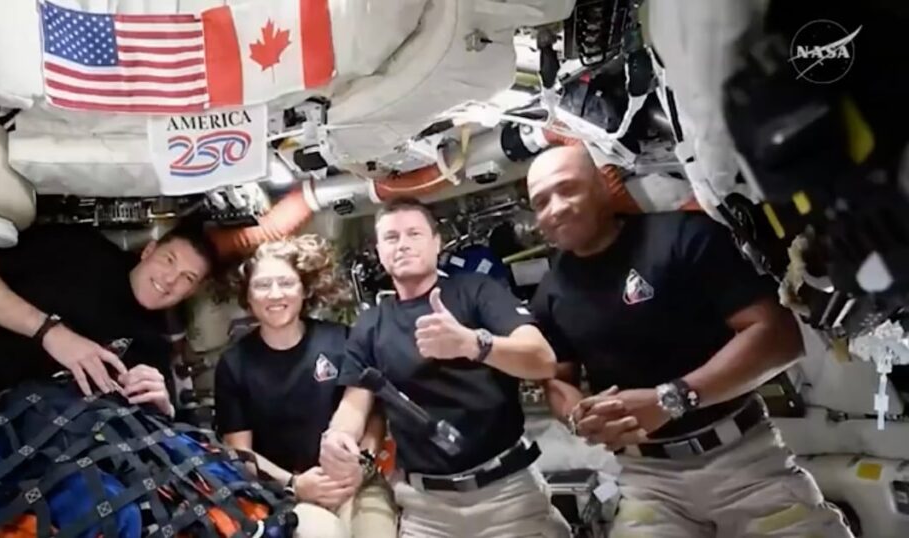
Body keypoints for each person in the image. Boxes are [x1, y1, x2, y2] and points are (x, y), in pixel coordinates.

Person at [526, 144, 853, 537]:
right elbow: (557, 379)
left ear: (600, 185)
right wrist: (578, 417)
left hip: (744, 463)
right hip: (648, 481)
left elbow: (778, 337)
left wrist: (672, 399)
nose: (555, 208)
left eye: (567, 189)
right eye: (540, 202)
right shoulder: (550, 294)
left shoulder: (683, 237)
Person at [319, 198, 572, 538]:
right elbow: (355, 404)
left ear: (436, 242)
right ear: (379, 251)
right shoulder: (371, 325)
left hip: (507, 495)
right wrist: (337, 437)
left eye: (414, 234)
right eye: (391, 237)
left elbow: (542, 360)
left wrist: (473, 344)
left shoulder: (476, 290)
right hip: (426, 510)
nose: (403, 244)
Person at [0, 221, 215, 418]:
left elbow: (148, 435)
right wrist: (49, 331)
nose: (170, 279)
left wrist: (163, 410)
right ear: (148, 250)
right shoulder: (80, 249)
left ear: (190, 292)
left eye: (187, 278)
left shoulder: (152, 350)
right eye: (169, 260)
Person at [214, 235, 398, 538]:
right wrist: (294, 484)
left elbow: (373, 415)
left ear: (304, 289)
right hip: (286, 493)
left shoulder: (342, 340)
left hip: (356, 482)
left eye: (286, 283)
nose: (275, 294)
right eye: (262, 285)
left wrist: (361, 467)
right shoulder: (234, 364)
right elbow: (239, 451)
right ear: (247, 296)